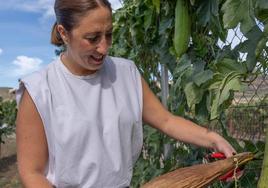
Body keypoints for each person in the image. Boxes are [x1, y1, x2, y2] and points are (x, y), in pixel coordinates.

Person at [15, 0, 236, 187]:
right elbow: (31, 172)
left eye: (109, 34)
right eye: (92, 38)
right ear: (64, 33)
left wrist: (213, 139)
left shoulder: (126, 72)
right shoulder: (40, 90)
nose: (104, 48)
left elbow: (166, 120)